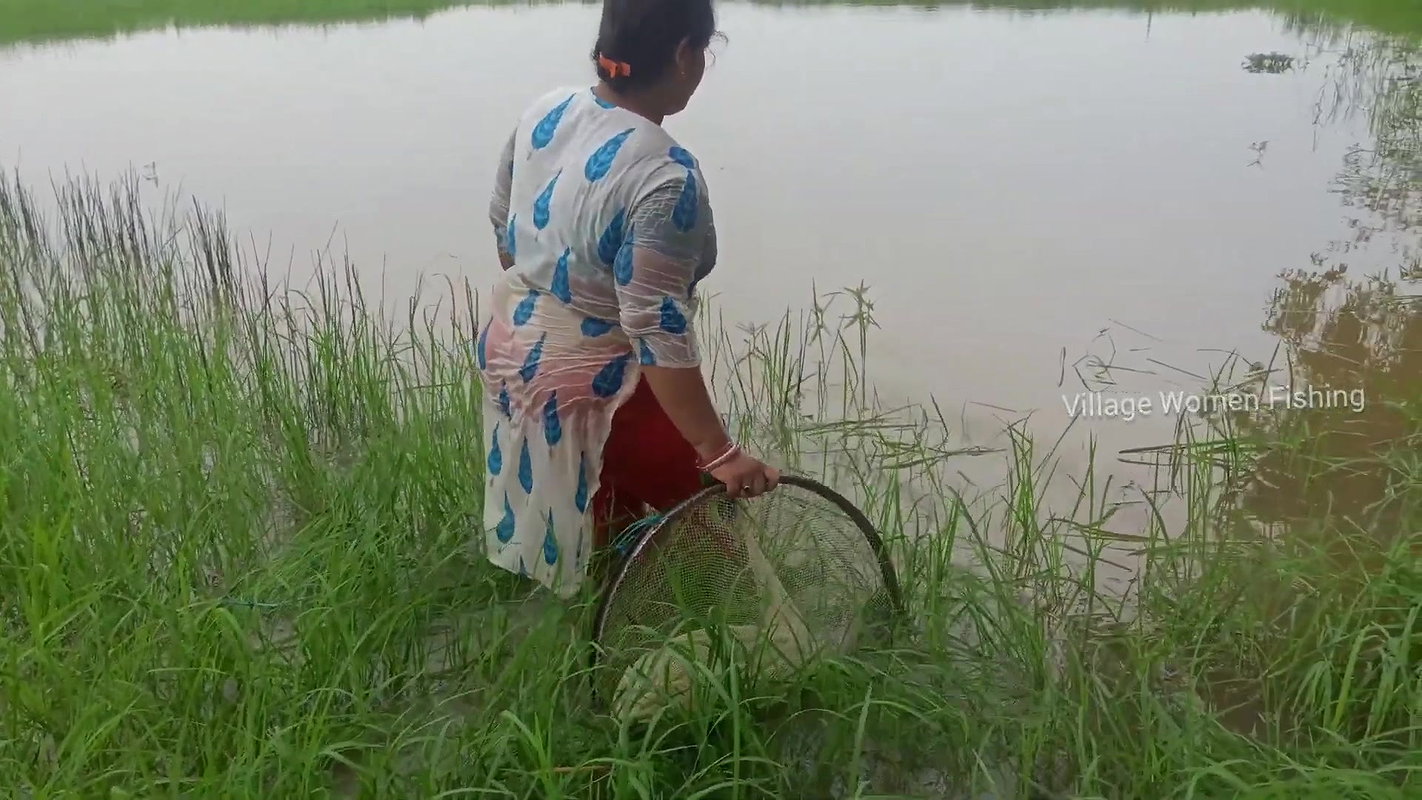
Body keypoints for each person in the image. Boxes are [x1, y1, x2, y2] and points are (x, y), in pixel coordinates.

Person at [475, 0, 780, 599]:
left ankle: (595, 615)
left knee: (597, 498)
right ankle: (728, 628)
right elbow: (655, 330)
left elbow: (504, 230)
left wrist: (549, 321)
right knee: (699, 512)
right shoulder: (665, 175)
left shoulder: (548, 110)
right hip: (602, 381)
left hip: (512, 349)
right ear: (685, 56)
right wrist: (722, 453)